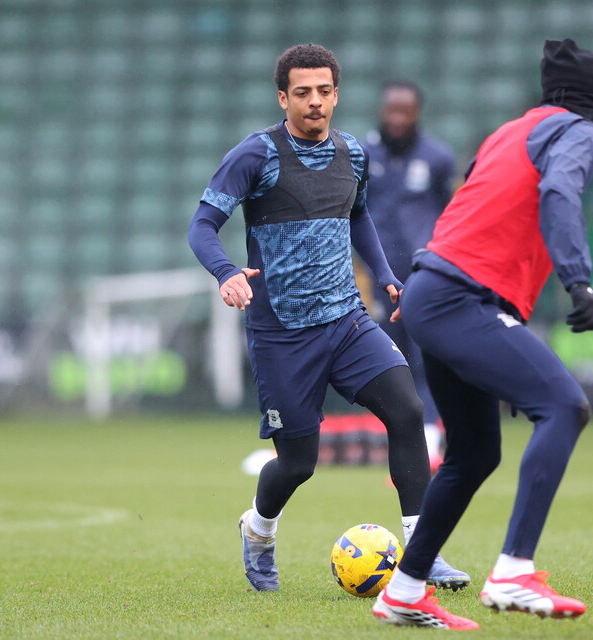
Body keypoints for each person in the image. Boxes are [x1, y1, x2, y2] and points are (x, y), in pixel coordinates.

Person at [186, 43, 468, 593]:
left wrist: (385, 274)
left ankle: (422, 553)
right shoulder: (255, 155)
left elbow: (358, 216)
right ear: (282, 97)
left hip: (347, 320)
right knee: (298, 463)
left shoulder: (353, 153)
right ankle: (259, 531)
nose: (314, 102)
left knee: (408, 411)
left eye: (323, 91)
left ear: (336, 94)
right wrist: (226, 272)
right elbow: (202, 225)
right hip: (282, 334)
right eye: (302, 93)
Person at [372, 39, 593, 629]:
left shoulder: (509, 132)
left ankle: (404, 589)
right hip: (461, 298)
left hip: (435, 290)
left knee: (475, 452)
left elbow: (468, 209)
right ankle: (513, 570)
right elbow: (559, 192)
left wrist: (424, 286)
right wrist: (578, 282)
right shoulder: (578, 131)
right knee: (563, 405)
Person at [362, 80, 457, 465]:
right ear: (381, 111)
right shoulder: (362, 155)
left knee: (426, 358)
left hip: (423, 277)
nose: (397, 118)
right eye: (391, 110)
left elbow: (448, 214)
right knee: (386, 360)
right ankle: (393, 435)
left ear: (417, 113)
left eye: (406, 111)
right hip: (378, 278)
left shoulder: (437, 158)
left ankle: (432, 434)